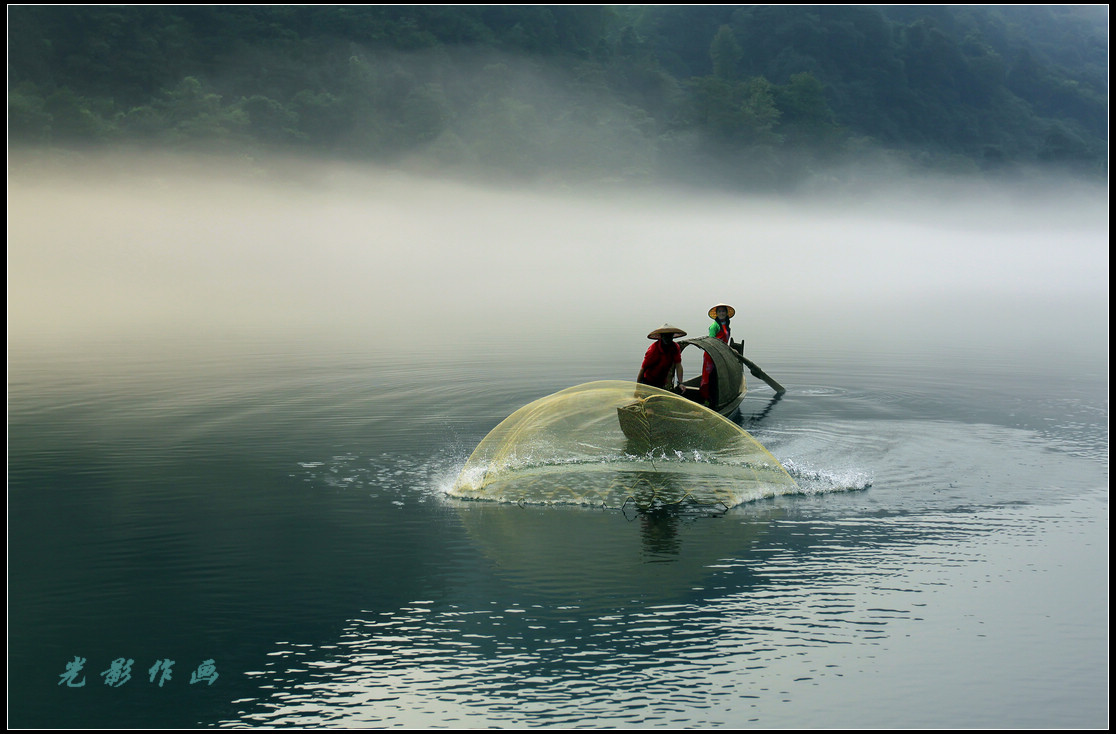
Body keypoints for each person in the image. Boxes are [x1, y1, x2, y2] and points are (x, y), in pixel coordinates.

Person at [700, 303, 734, 405]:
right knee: (709, 377)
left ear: (726, 313)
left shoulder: (727, 325)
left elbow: (725, 342)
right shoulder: (714, 326)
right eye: (719, 311)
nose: (722, 313)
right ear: (717, 314)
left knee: (719, 376)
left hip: (721, 354)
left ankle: (716, 398)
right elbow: (711, 342)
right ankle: (707, 400)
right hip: (711, 355)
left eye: (723, 311)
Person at [636, 324, 687, 391]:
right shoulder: (653, 350)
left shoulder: (675, 347)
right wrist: (637, 388)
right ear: (661, 337)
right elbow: (643, 369)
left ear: (672, 337)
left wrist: (680, 383)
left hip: (661, 381)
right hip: (648, 381)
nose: (667, 339)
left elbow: (678, 365)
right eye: (665, 336)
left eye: (669, 336)